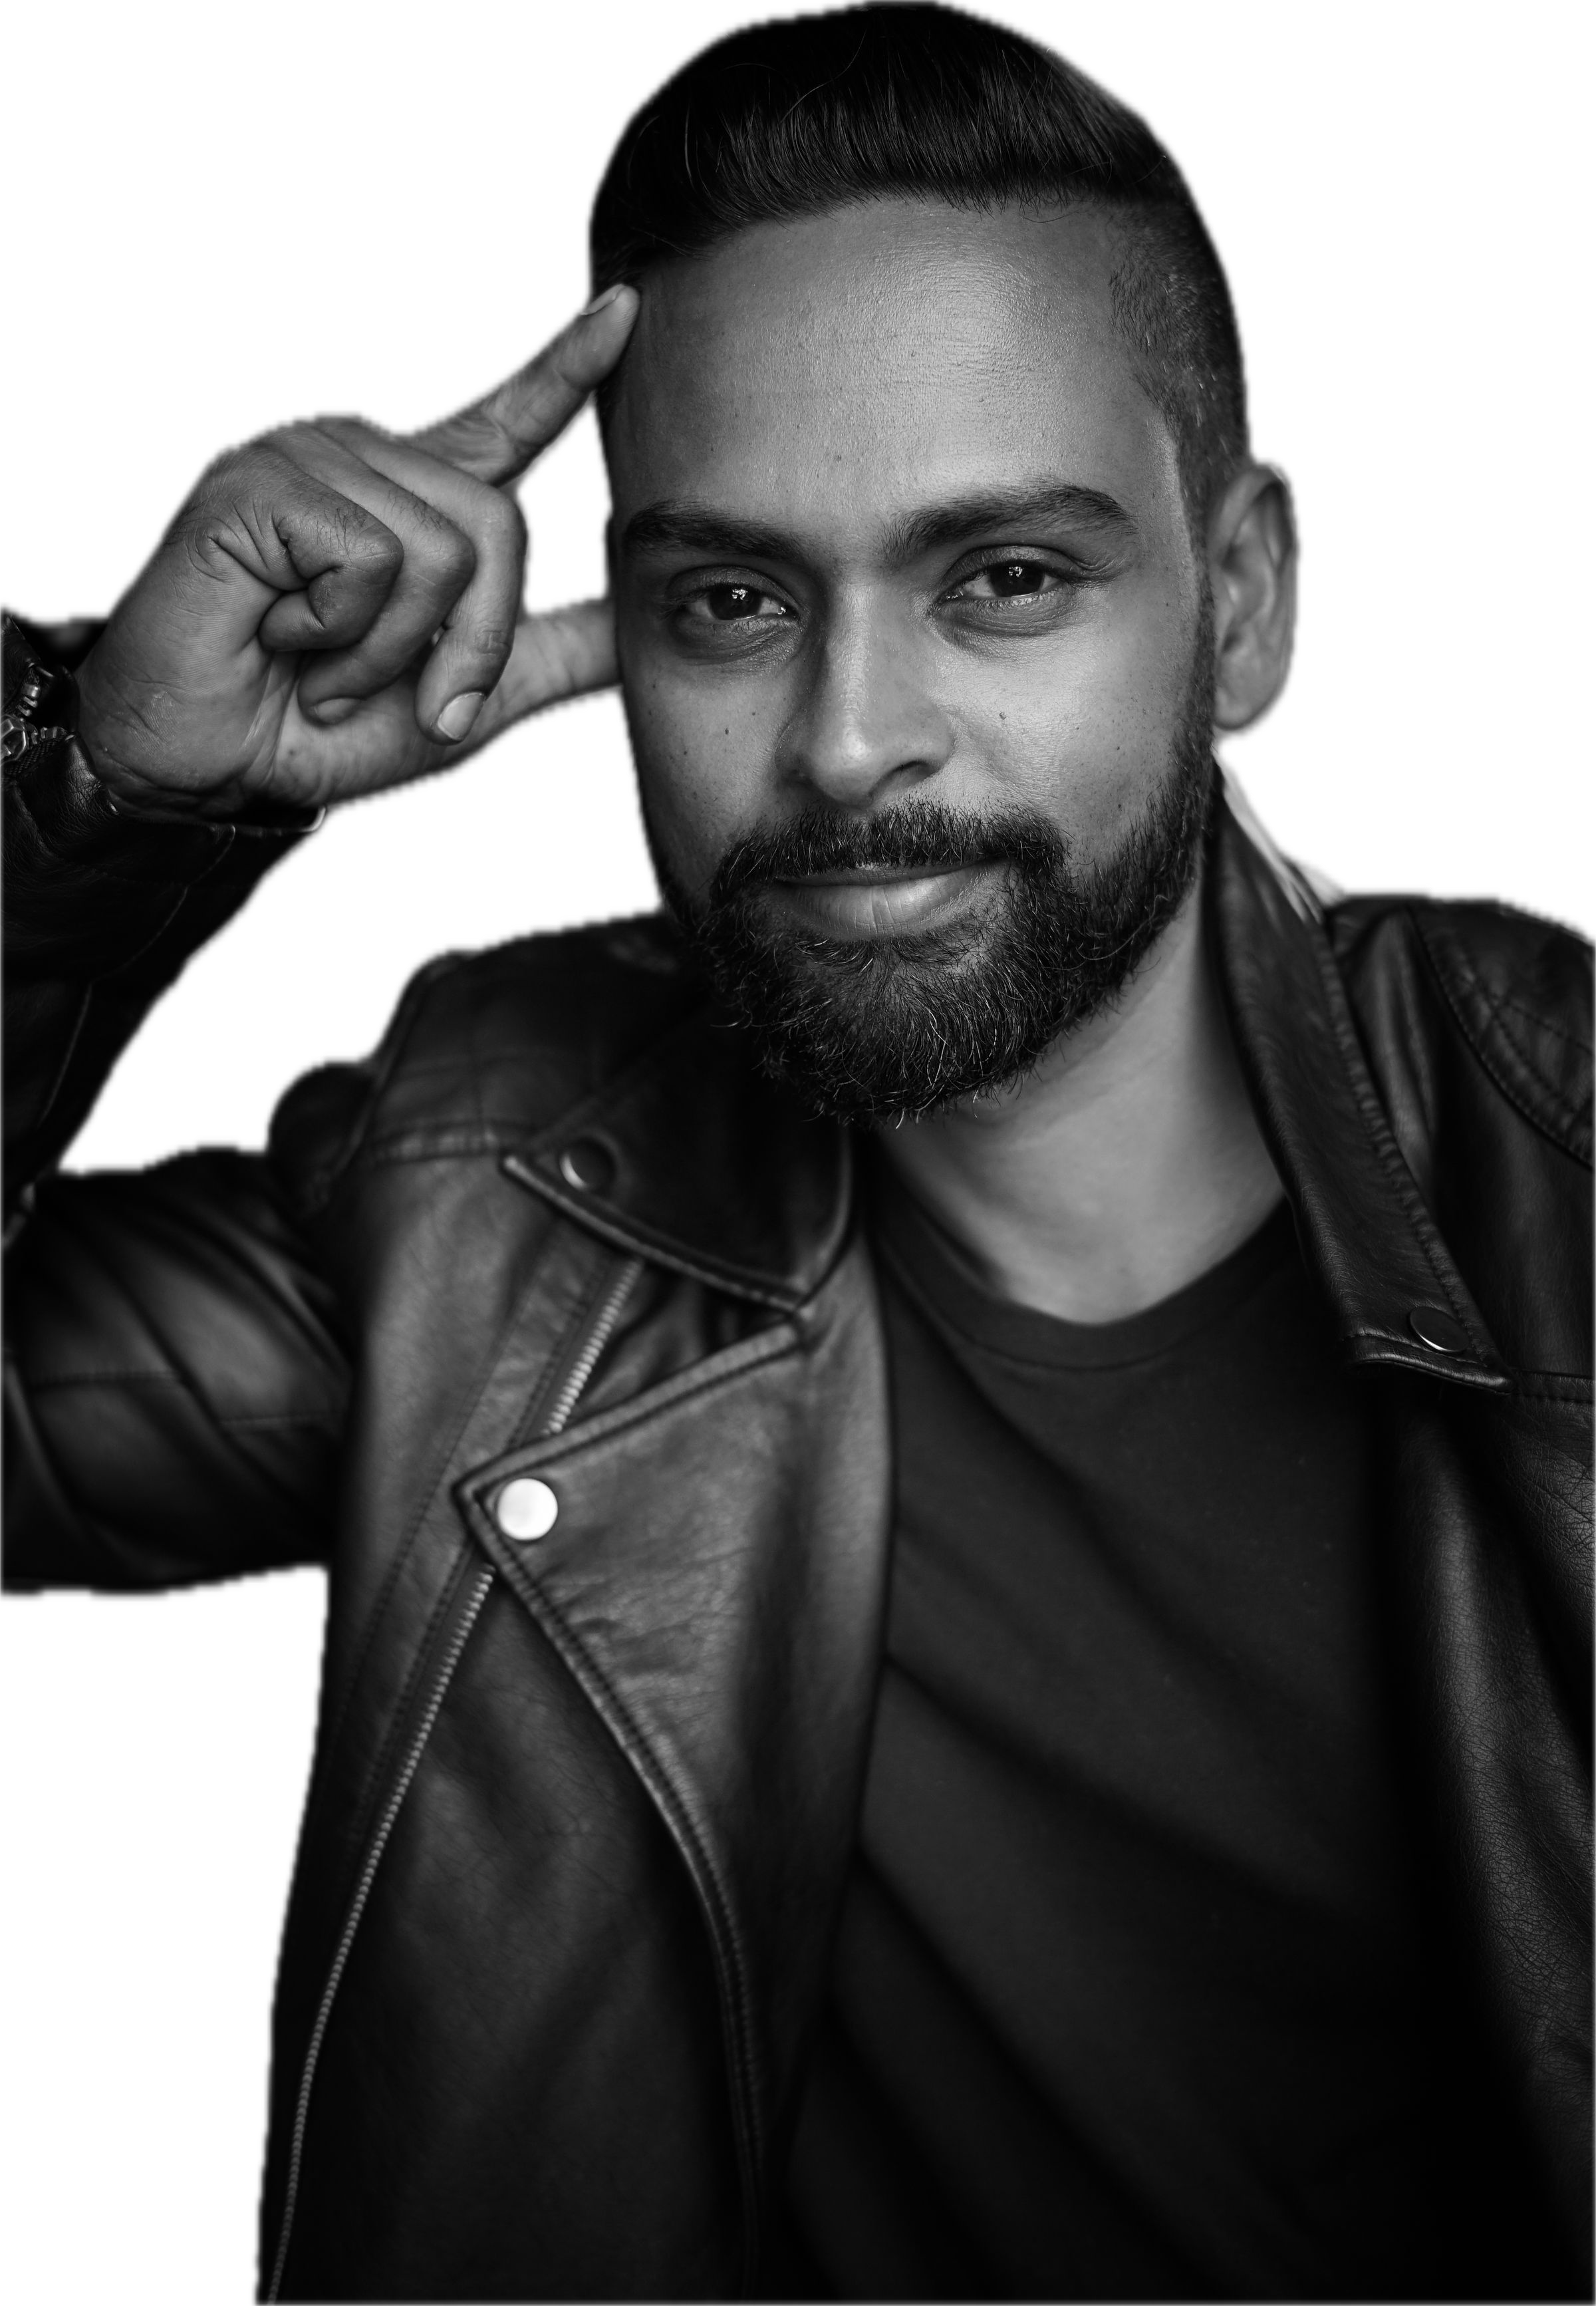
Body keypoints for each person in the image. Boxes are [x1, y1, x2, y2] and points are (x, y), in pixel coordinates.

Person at [1, 5, 1591, 2299]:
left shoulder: (1564, 1151)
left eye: (1004, 577)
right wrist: (110, 812)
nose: (848, 742)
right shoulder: (485, 1166)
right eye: (731, 602)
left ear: (1242, 602)